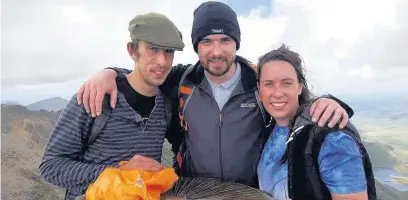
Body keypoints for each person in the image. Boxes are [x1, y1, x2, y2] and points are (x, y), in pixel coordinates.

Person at [76, 1, 353, 188]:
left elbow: (290, 99)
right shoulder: (181, 81)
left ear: (236, 43)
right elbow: (146, 72)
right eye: (206, 41)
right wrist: (110, 72)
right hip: (194, 191)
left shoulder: (257, 80)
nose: (216, 51)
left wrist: (326, 103)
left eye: (225, 41)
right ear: (196, 46)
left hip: (249, 192)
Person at [39, 12, 185, 200]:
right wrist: (120, 172)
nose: (162, 61)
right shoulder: (95, 97)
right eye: (153, 49)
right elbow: (51, 166)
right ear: (132, 51)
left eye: (169, 51)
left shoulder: (165, 105)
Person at [256, 44, 376, 200]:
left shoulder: (331, 137)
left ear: (299, 86)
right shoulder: (268, 130)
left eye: (287, 83)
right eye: (269, 84)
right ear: (259, 89)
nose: (278, 93)